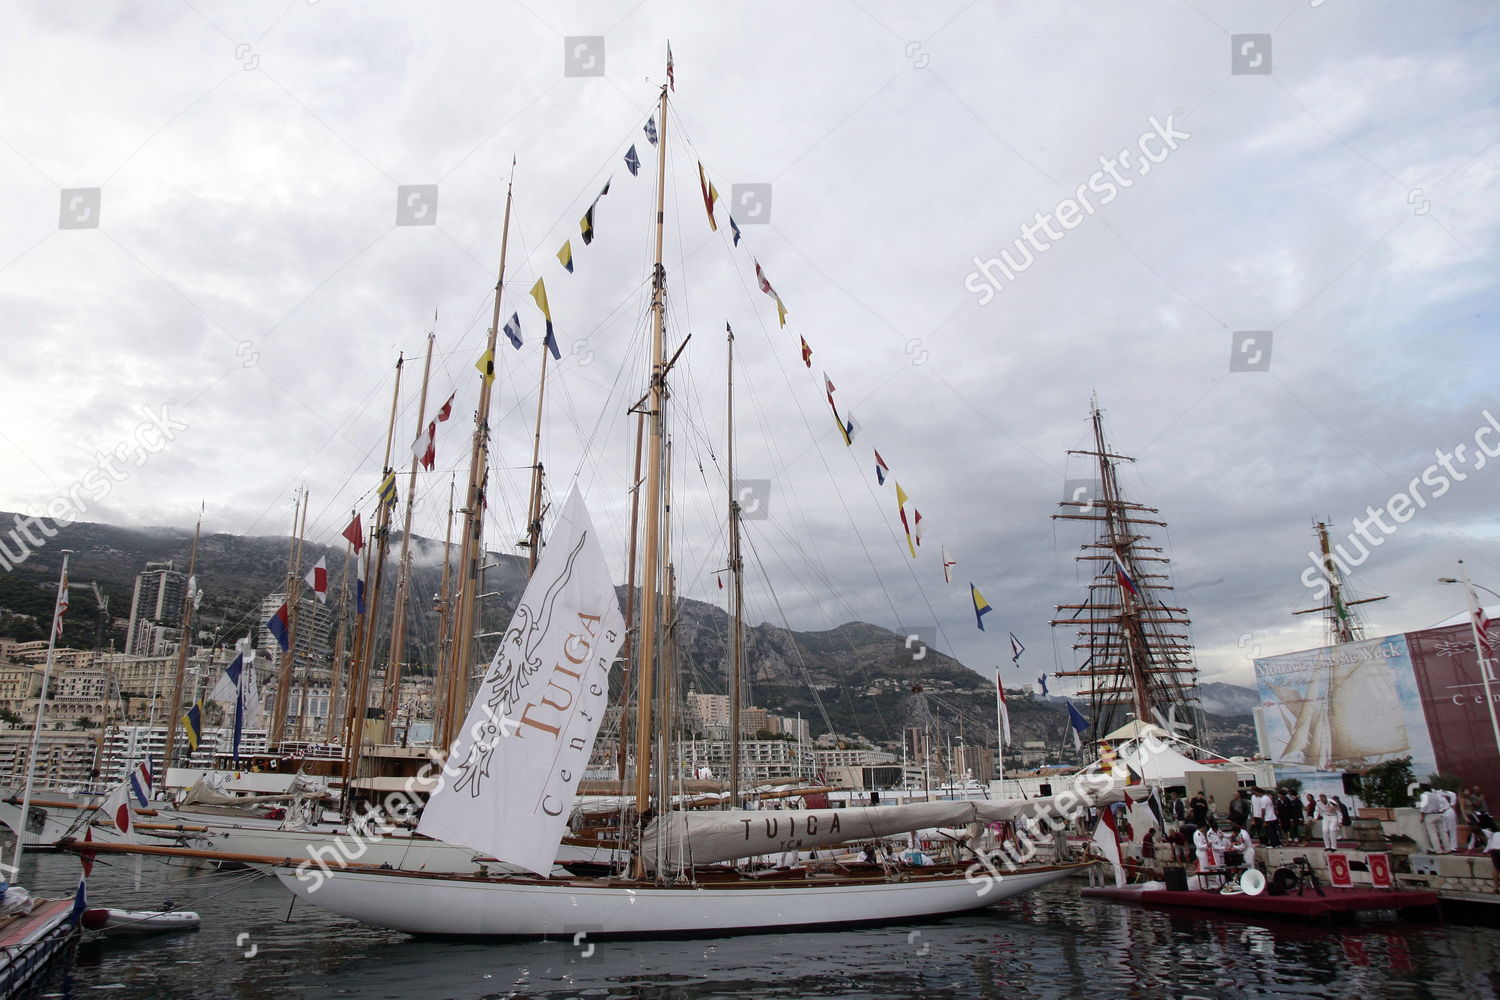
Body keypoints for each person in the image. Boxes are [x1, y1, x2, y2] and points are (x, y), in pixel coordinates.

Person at [1418, 785, 1451, 853]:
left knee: (1433, 833)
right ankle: (1448, 848)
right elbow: (1439, 805)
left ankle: (1438, 850)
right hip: (1438, 814)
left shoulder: (1424, 795)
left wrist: (1422, 816)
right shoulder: (1435, 795)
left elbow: (1423, 807)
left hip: (1429, 815)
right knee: (1443, 832)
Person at [1441, 786, 1460, 854]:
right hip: (1440, 814)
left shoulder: (1440, 792)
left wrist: (1452, 804)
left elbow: (1453, 794)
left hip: (1448, 811)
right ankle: (1447, 846)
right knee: (1444, 831)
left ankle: (1453, 847)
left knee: (1452, 830)